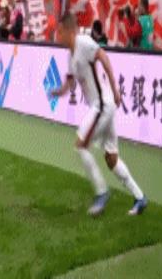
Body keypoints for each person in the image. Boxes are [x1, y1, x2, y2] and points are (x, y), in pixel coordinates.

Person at [51, 13, 147, 216]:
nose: (57, 35)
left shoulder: (84, 43)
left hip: (102, 104)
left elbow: (104, 58)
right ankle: (140, 197)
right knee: (111, 158)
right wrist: (58, 91)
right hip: (103, 106)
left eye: (59, 31)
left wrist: (115, 89)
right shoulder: (71, 55)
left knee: (80, 145)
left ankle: (102, 192)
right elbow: (69, 82)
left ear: (69, 31)